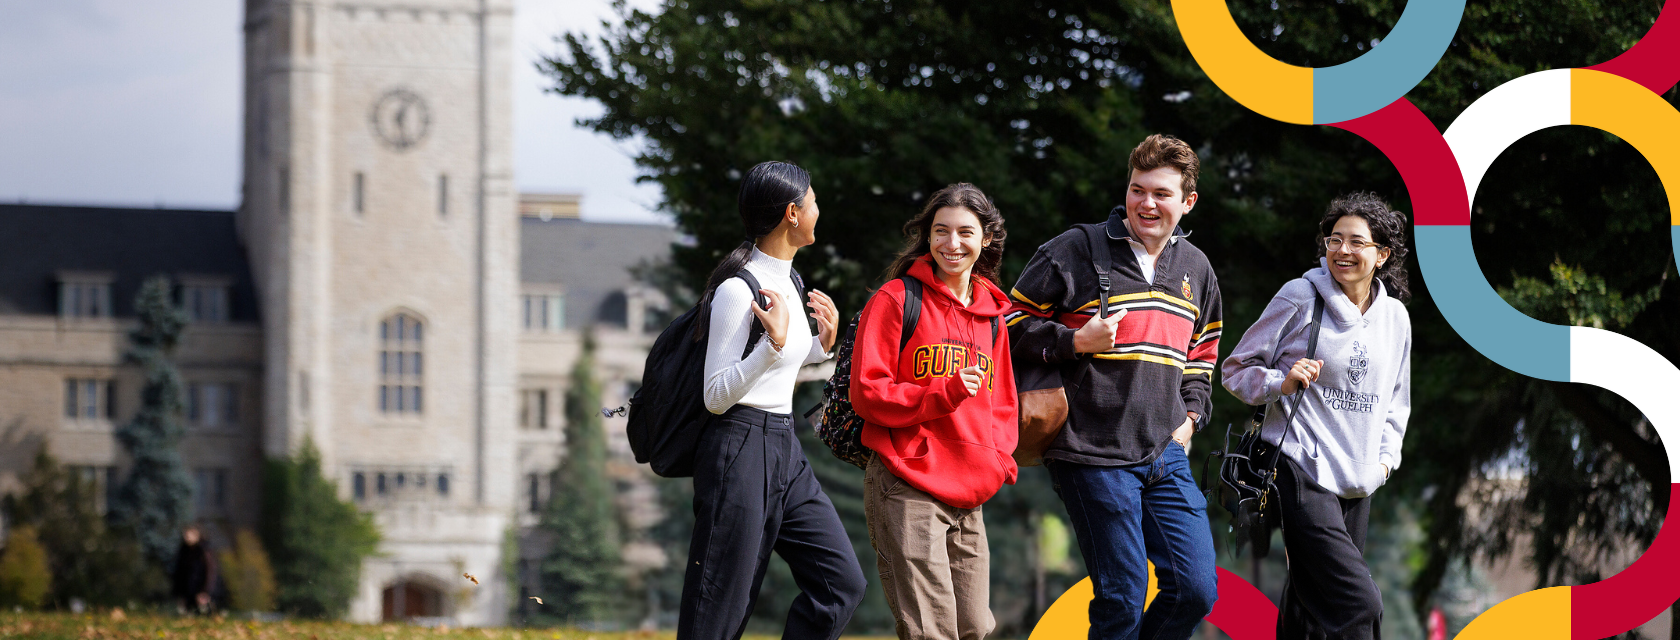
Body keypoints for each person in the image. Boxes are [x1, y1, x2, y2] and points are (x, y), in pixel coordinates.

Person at [1005, 134, 1221, 639]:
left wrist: (1190, 420)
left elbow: (1203, 355)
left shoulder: (1198, 269)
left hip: (1165, 452)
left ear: (1187, 202)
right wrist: (1074, 340)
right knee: (1122, 597)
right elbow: (1007, 325)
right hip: (1089, 451)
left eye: (1161, 194)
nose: (1146, 203)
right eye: (1137, 189)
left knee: (1196, 591)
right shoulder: (1075, 249)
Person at [682, 160, 867, 640]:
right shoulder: (735, 289)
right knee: (718, 610)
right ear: (792, 213)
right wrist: (774, 346)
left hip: (784, 446)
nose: (818, 210)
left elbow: (780, 365)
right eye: (814, 202)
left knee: (841, 586)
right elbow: (716, 395)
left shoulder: (792, 281)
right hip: (737, 447)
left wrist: (818, 346)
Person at [1221, 192, 1411, 640]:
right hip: (1300, 466)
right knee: (1359, 604)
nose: (1342, 250)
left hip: (1359, 478)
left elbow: (1396, 401)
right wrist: (1280, 383)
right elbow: (1235, 369)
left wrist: (1385, 462)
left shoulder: (1396, 319)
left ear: (1382, 255)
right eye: (1334, 239)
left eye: (1356, 242)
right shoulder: (1300, 296)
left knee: (1308, 611)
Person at [850, 183, 1018, 640]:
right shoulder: (896, 299)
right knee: (931, 630)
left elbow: (1002, 400)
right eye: (940, 232)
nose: (951, 244)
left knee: (976, 628)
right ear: (927, 238)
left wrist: (999, 458)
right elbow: (867, 391)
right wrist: (938, 395)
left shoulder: (993, 315)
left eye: (965, 232)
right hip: (908, 480)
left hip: (971, 490)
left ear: (986, 238)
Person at [172, 523, 217, 615]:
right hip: (187, 593)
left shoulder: (204, 550)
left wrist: (205, 591)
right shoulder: (183, 550)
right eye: (185, 534)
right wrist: (179, 594)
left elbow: (210, 572)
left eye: (190, 534)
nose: (187, 537)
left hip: (201, 593)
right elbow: (179, 573)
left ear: (197, 534)